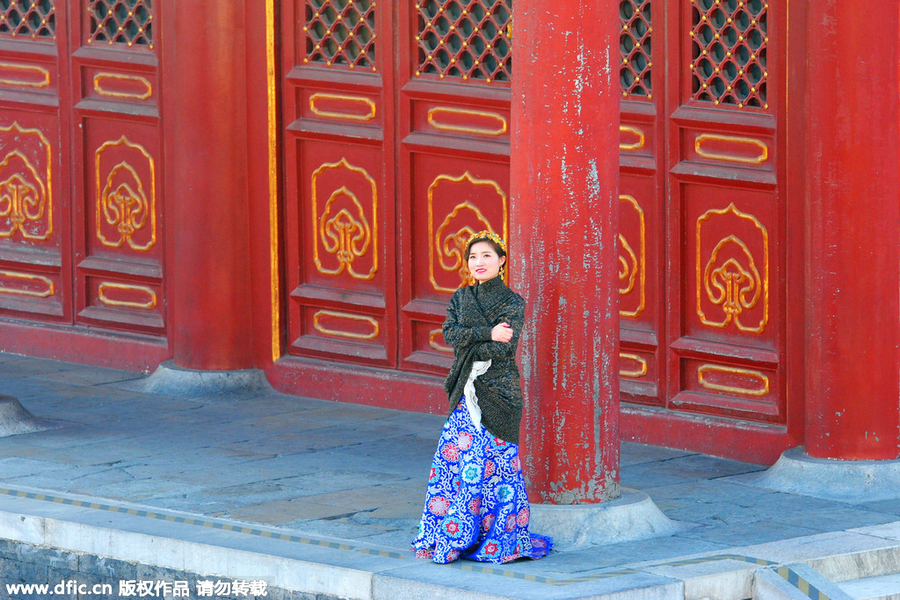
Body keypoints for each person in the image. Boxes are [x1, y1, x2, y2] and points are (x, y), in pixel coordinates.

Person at [412, 230, 552, 564]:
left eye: (487, 256)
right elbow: (451, 334)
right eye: (473, 257)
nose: (479, 262)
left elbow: (502, 350)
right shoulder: (460, 298)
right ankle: (452, 535)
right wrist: (486, 332)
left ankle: (498, 540)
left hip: (499, 395)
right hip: (464, 392)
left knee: (497, 468)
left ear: (502, 261)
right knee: (454, 465)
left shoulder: (512, 302)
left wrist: (476, 340)